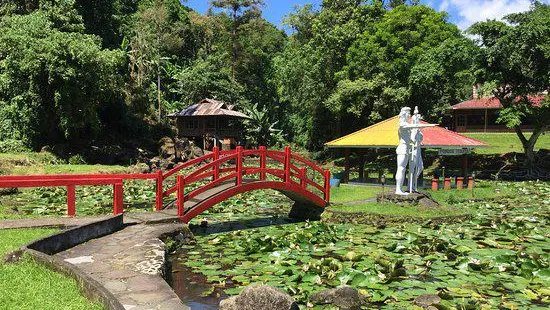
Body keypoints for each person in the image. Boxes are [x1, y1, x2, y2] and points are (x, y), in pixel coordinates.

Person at [409, 107, 424, 193]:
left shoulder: (419, 131)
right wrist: (415, 134)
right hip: (413, 152)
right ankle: (411, 187)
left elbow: (421, 140)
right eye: (416, 120)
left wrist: (419, 133)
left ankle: (415, 184)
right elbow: (412, 141)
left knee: (420, 167)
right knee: (412, 170)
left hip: (418, 151)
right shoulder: (412, 131)